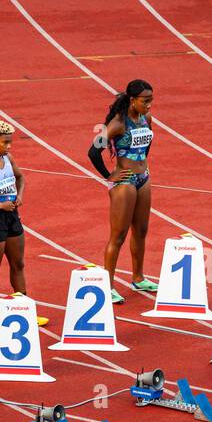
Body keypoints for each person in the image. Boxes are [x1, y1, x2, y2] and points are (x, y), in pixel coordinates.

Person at [0, 121, 48, 327]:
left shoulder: (8, 158)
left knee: (19, 265)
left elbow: (21, 177)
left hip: (13, 217)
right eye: (5, 143)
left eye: (10, 142)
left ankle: (24, 311)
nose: (9, 147)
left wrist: (20, 195)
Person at [88, 79, 155, 304]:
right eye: (145, 101)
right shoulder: (118, 123)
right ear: (132, 100)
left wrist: (141, 164)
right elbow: (93, 152)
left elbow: (147, 145)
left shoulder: (147, 119)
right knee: (118, 236)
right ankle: (108, 285)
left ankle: (138, 277)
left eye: (151, 101)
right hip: (124, 183)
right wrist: (109, 175)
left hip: (143, 179)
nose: (149, 105)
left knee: (141, 231)